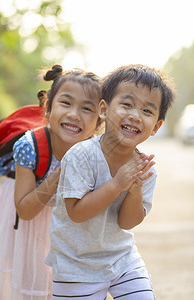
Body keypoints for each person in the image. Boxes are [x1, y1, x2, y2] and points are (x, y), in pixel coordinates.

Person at [46, 64, 175, 300]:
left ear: (156, 126)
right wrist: (117, 184)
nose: (135, 115)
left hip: (121, 259)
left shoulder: (144, 169)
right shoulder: (81, 155)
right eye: (127, 104)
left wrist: (134, 191)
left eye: (147, 111)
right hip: (75, 264)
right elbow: (76, 212)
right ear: (103, 110)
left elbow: (127, 223)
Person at [0, 64, 103, 300]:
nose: (74, 114)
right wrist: (60, 174)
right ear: (48, 108)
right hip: (24, 211)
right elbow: (24, 210)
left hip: (63, 218)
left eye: (87, 108)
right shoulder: (30, 147)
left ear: (99, 120)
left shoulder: (95, 154)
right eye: (66, 103)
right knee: (27, 280)